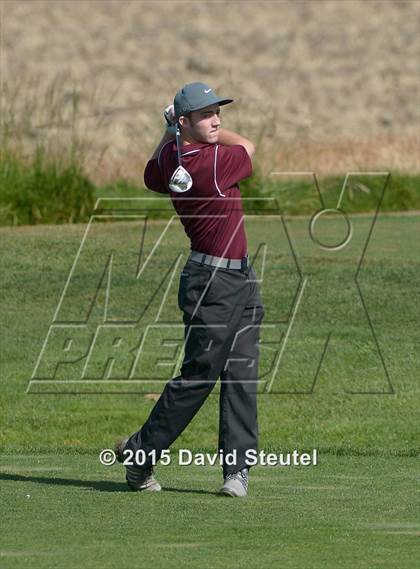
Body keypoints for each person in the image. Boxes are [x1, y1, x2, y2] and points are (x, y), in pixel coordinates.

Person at [115, 82, 265, 497]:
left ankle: (237, 471)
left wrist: (170, 132)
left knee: (241, 372)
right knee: (200, 376)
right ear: (185, 121)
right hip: (214, 284)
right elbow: (249, 146)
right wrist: (189, 132)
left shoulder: (171, 157)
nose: (216, 120)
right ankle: (139, 454)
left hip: (238, 279)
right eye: (205, 115)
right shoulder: (214, 163)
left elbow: (151, 173)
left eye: (218, 113)